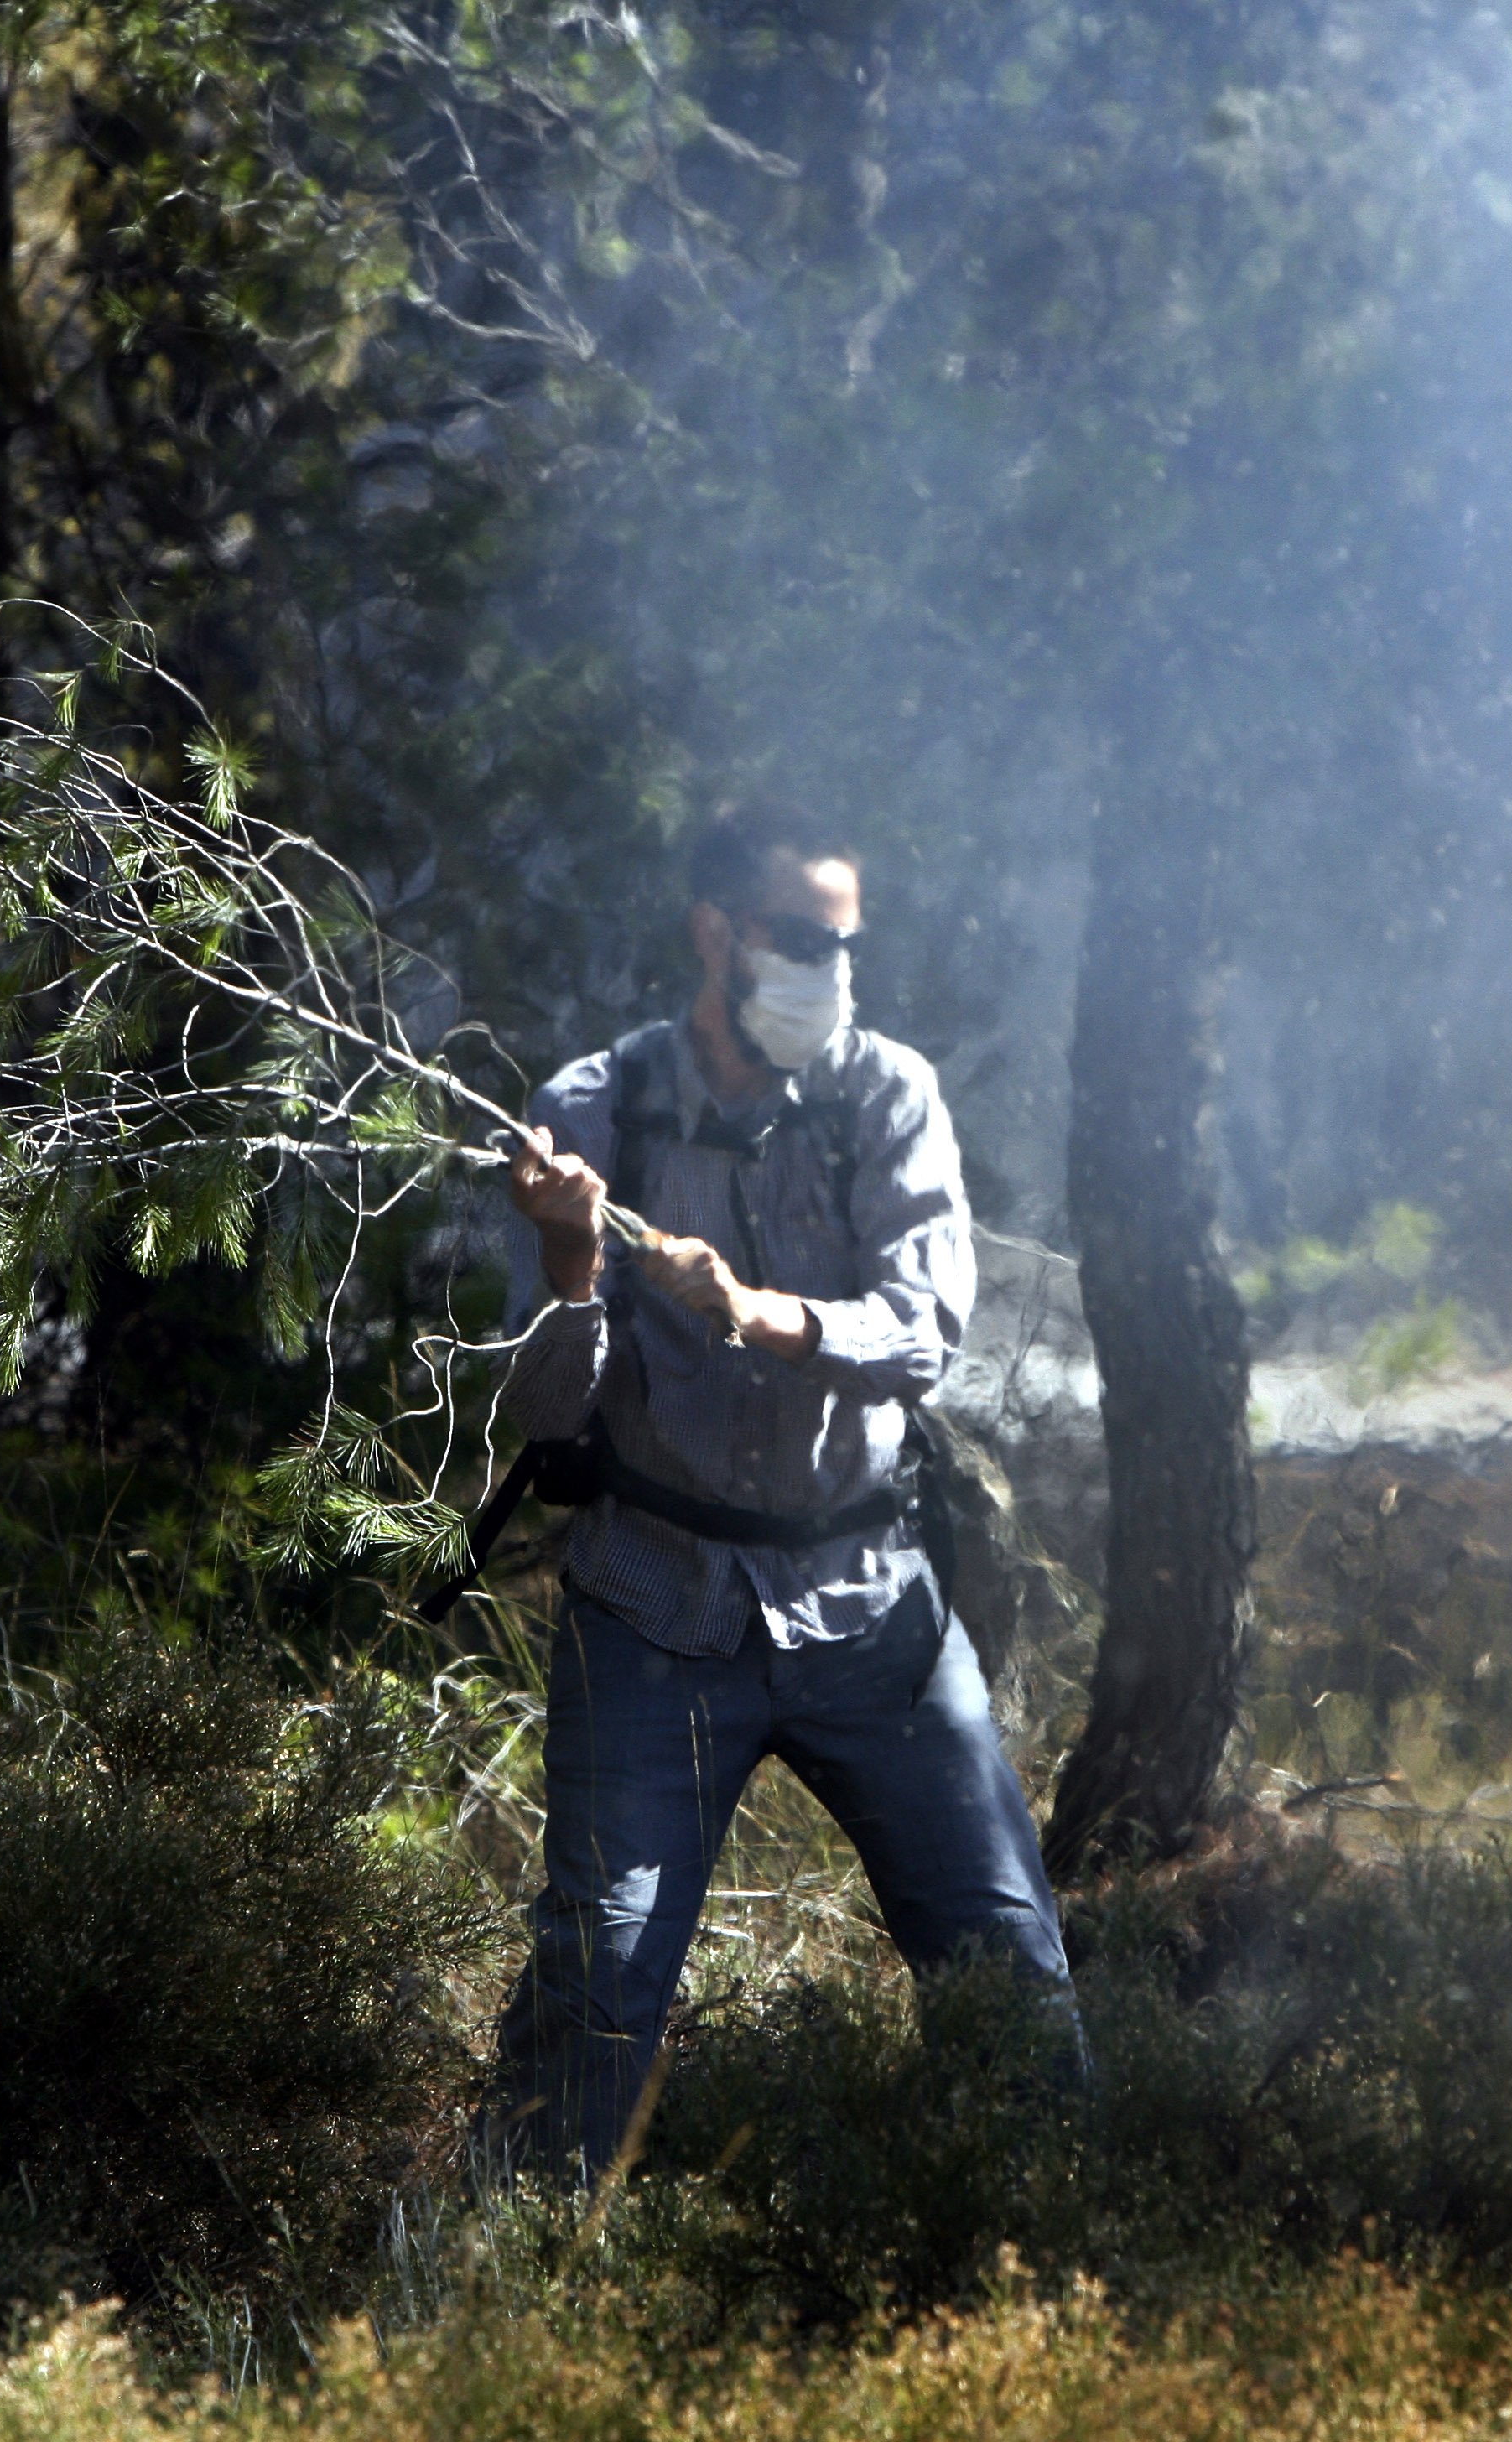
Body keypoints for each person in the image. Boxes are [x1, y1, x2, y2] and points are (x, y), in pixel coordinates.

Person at [485, 808, 1074, 2178]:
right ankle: (490, 2287)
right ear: (718, 934)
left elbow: (925, 1332)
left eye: (846, 944)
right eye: (805, 940)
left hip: (870, 1617)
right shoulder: (596, 1110)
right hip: (652, 1609)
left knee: (1011, 1970)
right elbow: (541, 1409)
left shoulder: (886, 1095)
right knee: (600, 1976)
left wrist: (763, 1315)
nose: (833, 970)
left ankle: (1059, 2262)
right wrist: (574, 1268)